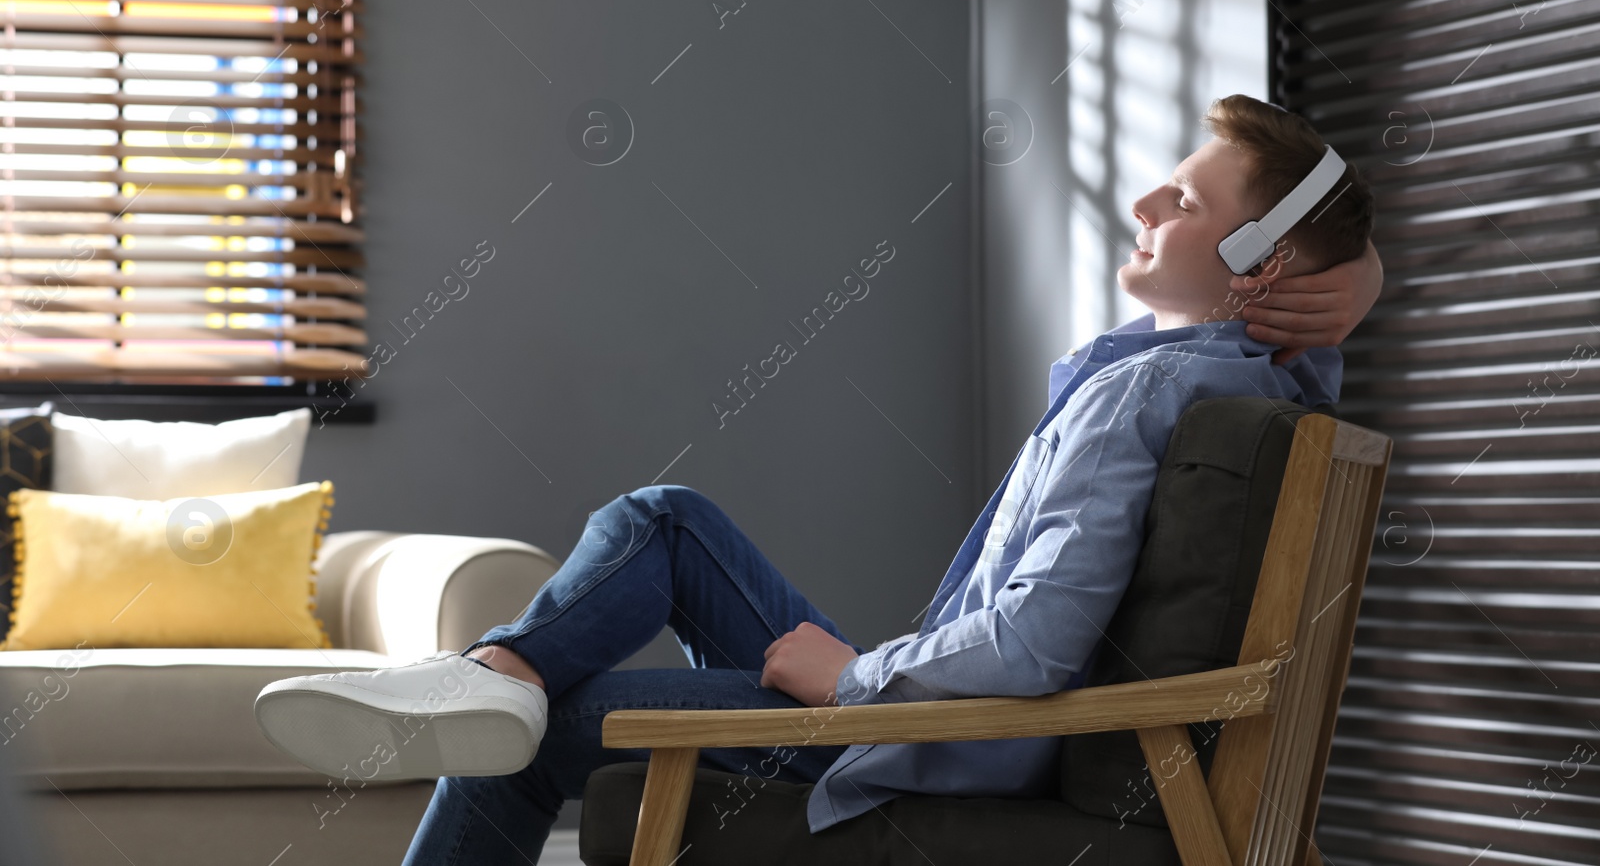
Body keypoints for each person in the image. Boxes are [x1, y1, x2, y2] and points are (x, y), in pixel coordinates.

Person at [255, 94, 1381, 863]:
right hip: (952, 712)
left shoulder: (1143, 392)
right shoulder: (1251, 373)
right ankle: (490, 666)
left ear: (1261, 262)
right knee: (666, 519)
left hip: (946, 735)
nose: (1144, 204)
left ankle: (493, 683)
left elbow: (1035, 642)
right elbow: (1312, 342)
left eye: (1184, 201)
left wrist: (852, 677)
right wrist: (1357, 265)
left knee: (535, 724)